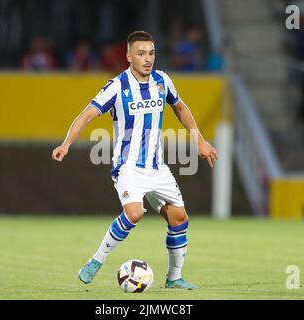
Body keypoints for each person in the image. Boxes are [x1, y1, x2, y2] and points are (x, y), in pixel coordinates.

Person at [51, 31, 218, 290]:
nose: (147, 58)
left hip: (157, 167)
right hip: (127, 166)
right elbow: (86, 115)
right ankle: (96, 260)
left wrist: (200, 140)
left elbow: (180, 108)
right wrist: (66, 143)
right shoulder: (117, 86)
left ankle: (174, 278)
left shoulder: (163, 81)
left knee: (179, 218)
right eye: (141, 53)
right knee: (135, 213)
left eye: (151, 53)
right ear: (129, 56)